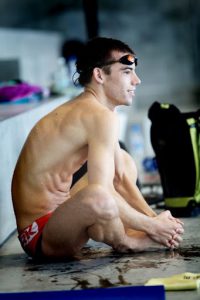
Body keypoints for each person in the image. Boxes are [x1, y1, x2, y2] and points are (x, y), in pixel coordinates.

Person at [12, 37, 184, 259]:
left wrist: (157, 220)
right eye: (126, 72)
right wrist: (152, 226)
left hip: (62, 213)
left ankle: (139, 231)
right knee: (98, 197)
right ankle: (127, 241)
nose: (137, 80)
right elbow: (103, 192)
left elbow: (121, 177)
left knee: (125, 162)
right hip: (38, 233)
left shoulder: (100, 110)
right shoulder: (98, 115)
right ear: (99, 75)